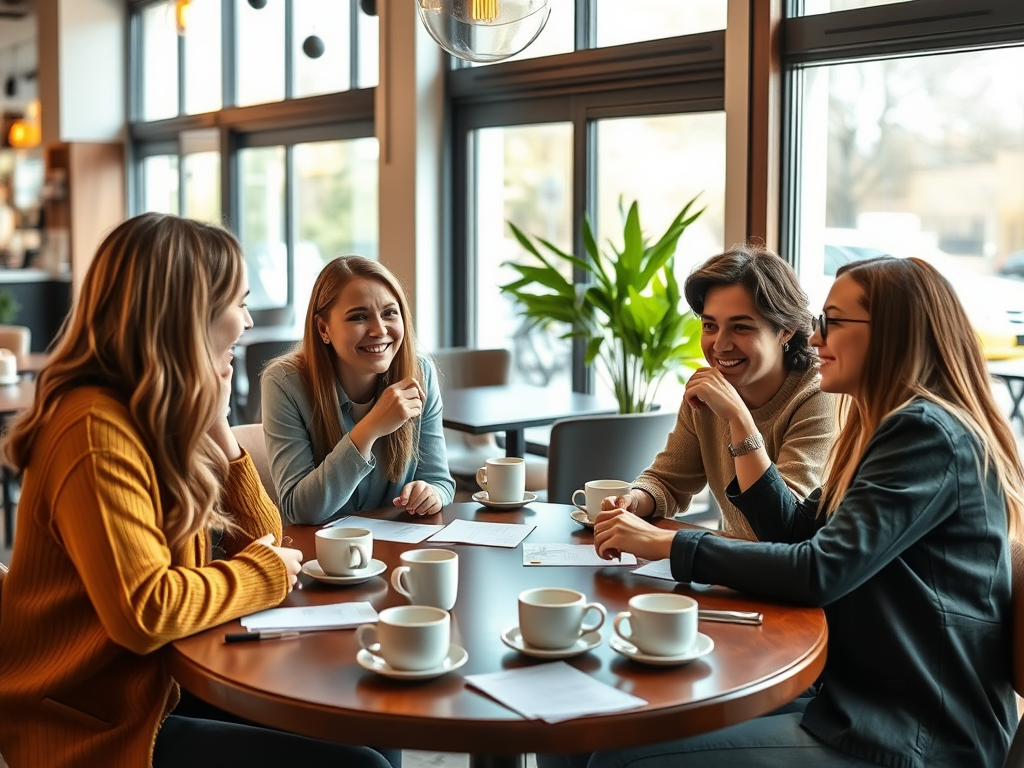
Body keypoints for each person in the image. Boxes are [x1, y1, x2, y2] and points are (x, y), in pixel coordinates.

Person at [586, 256, 1023, 767]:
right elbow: (794, 529)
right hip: (856, 693)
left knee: (619, 759)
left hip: (914, 729)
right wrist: (735, 418)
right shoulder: (881, 427)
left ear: (891, 334)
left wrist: (668, 543)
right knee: (594, 723)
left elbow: (819, 570)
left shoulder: (927, 435)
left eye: (831, 323)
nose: (815, 340)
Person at [0, 213, 395, 768]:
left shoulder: (156, 414)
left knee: (373, 714)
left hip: (161, 687)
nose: (249, 319)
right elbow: (146, 614)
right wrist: (265, 574)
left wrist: (220, 431)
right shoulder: (94, 430)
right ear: (190, 313)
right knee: (361, 764)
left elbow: (264, 537)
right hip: (97, 724)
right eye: (238, 302)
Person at [606, 243, 836, 540]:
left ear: (786, 330)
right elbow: (668, 481)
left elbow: (783, 527)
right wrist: (633, 501)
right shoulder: (708, 390)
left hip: (793, 577)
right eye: (709, 325)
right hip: (729, 565)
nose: (720, 345)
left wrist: (738, 416)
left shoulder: (819, 395)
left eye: (741, 328)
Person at [262, 255, 455, 524]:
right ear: (323, 328)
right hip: (323, 556)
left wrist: (430, 493)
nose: (379, 330)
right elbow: (299, 508)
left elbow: (439, 481)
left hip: (398, 552)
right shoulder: (284, 382)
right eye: (359, 317)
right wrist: (370, 428)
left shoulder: (419, 373)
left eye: (390, 313)